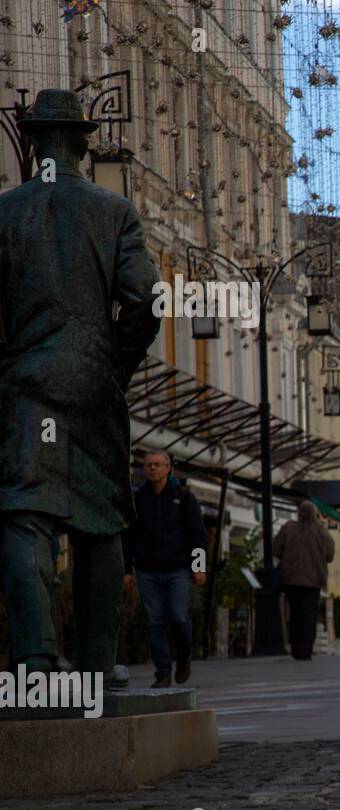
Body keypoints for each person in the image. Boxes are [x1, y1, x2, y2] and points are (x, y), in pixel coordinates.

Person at [0, 89, 161, 682]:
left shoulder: (5, 212)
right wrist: (113, 365)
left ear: (35, 141)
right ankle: (97, 665)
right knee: (100, 523)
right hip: (93, 382)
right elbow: (145, 299)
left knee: (25, 516)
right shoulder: (114, 212)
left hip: (25, 384)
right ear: (84, 145)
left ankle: (37, 660)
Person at [122, 451, 208, 687]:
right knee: (154, 621)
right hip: (147, 570)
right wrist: (127, 569)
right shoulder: (139, 499)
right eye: (148, 465)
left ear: (168, 468)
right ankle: (162, 671)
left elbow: (198, 535)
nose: (152, 469)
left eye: (157, 465)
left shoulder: (183, 497)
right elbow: (129, 536)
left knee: (178, 616)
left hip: (177, 569)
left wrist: (199, 567)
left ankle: (183, 657)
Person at [272, 501, 335, 660]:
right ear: (314, 514)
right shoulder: (322, 532)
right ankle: (306, 650)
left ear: (299, 513)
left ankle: (296, 648)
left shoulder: (289, 528)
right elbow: (330, 555)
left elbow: (276, 548)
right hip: (313, 582)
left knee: (294, 614)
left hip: (291, 580)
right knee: (309, 616)